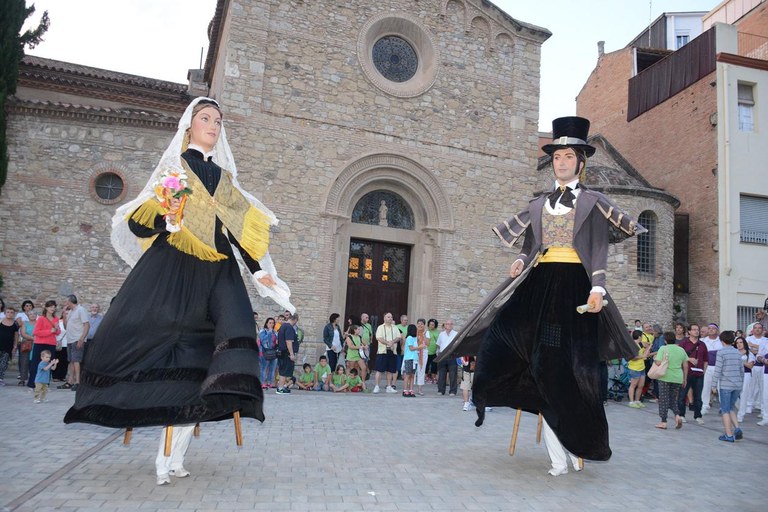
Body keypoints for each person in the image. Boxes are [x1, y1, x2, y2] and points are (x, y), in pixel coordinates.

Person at [62, 98, 294, 484]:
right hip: (177, 271)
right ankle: (164, 456)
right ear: (190, 125)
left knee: (215, 357)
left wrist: (258, 272)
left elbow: (237, 233)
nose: (213, 125)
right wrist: (166, 217)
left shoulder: (224, 179)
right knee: (177, 357)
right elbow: (140, 225)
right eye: (206, 118)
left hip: (218, 273)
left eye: (218, 121)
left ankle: (178, 453)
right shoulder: (175, 171)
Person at [435, 117, 642, 476]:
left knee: (570, 366)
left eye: (567, 156)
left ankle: (571, 446)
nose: (560, 162)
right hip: (540, 281)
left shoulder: (593, 202)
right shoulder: (540, 204)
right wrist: (519, 259)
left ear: (581, 162)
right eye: (556, 156)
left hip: (575, 284)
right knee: (505, 331)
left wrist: (597, 288)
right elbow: (532, 245)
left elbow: (597, 248)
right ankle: (498, 389)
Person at [652, 332, 688, 429]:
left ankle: (663, 421)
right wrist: (685, 378)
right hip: (678, 377)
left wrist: (655, 359)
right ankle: (677, 415)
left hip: (665, 376)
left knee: (663, 399)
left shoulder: (663, 348)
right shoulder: (681, 350)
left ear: (665, 340)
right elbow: (685, 365)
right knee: (673, 399)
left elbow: (658, 362)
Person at [712, 331, 744, 441]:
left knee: (725, 409)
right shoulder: (737, 352)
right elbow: (741, 370)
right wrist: (741, 383)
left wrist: (713, 385)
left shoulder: (721, 352)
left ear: (722, 341)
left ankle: (729, 434)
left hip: (726, 385)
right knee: (731, 407)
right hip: (737, 385)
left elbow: (718, 370)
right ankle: (737, 428)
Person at [679, 324, 709, 425]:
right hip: (686, 373)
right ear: (689, 332)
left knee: (698, 396)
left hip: (699, 373)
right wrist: (689, 359)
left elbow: (706, 360)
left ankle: (698, 415)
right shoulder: (684, 343)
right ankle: (681, 415)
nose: (696, 331)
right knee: (682, 395)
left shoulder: (702, 344)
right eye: (694, 330)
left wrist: (704, 371)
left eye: (698, 329)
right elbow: (679, 357)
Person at [29, 301, 60, 388]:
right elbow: (36, 332)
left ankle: (45, 384)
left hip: (51, 344)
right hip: (40, 344)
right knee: (36, 364)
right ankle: (32, 384)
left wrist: (56, 330)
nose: (53, 308)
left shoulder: (56, 319)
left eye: (54, 306)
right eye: (50, 306)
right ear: (46, 308)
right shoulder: (41, 319)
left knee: (49, 364)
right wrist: (50, 331)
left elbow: (58, 332)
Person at [61, 295, 89, 391]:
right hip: (70, 339)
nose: (65, 303)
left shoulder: (81, 310)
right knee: (71, 361)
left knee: (76, 361)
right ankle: (70, 382)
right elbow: (66, 327)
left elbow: (86, 325)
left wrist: (81, 339)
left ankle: (78, 382)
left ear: (70, 302)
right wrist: (64, 316)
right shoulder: (71, 312)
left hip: (77, 339)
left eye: (66, 301)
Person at [374, 312, 400, 393]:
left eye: (391, 317)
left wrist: (392, 341)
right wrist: (387, 343)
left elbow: (399, 337)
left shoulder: (395, 327)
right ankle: (377, 386)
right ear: (384, 318)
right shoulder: (380, 327)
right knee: (379, 370)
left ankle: (389, 386)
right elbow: (378, 337)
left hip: (392, 351)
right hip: (382, 351)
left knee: (390, 370)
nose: (390, 318)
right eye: (388, 317)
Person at [701, 323, 723, 415]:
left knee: (721, 387)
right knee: (706, 386)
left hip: (719, 367)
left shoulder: (721, 341)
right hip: (707, 367)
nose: (711, 330)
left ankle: (723, 406)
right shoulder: (702, 341)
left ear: (717, 330)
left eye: (713, 328)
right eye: (709, 328)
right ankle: (705, 405)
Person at [276, 313, 299, 394]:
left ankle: (281, 387)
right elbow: (289, 341)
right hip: (286, 353)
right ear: (295, 319)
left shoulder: (283, 326)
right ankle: (280, 388)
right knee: (284, 371)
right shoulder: (289, 327)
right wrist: (291, 353)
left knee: (283, 370)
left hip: (282, 352)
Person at [735, 336, 756, 423]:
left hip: (746, 375)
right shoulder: (734, 352)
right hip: (735, 375)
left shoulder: (749, 354)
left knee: (743, 395)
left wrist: (742, 361)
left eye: (741, 342)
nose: (739, 344)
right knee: (735, 394)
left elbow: (750, 366)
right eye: (737, 343)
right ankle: (740, 407)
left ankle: (741, 414)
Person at [628, 330, 650, 408]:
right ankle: (631, 401)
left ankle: (637, 400)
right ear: (640, 336)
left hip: (642, 368)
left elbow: (645, 355)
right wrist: (643, 355)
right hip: (634, 368)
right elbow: (633, 358)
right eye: (642, 336)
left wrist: (648, 348)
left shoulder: (640, 344)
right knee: (633, 385)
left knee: (641, 385)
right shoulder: (632, 345)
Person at [435, 320, 459, 396]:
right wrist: (439, 353)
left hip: (452, 355)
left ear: (452, 325)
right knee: (441, 374)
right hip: (442, 355)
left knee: (453, 374)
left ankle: (452, 391)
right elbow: (438, 345)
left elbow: (458, 344)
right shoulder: (441, 334)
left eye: (450, 324)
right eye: (447, 324)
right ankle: (441, 390)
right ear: (445, 325)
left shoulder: (456, 334)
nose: (448, 325)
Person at [0, 307, 20, 386]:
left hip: (8, 347)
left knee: (3, 364)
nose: (9, 314)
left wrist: (15, 347)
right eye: (8, 312)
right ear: (5, 313)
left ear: (14, 314)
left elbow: (16, 335)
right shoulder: (0, 321)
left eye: (11, 312)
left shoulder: (15, 323)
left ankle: (0, 378)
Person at [402, 324, 422, 397]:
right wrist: (419, 347)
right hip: (409, 358)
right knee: (407, 375)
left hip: (414, 359)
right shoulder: (409, 338)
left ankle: (411, 390)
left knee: (412, 375)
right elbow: (411, 348)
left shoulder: (415, 338)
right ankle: (405, 390)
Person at [258, 317, 278, 389]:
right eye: (270, 323)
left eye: (273, 323)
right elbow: (263, 340)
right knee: (263, 368)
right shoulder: (262, 331)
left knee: (272, 368)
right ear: (266, 323)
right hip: (264, 352)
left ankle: (270, 382)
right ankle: (262, 382)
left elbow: (276, 342)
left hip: (273, 352)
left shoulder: (275, 332)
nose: (271, 324)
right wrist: (269, 333)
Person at [426, 318, 439, 383]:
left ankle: (434, 378)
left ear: (435, 325)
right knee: (426, 365)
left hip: (435, 351)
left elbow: (439, 341)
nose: (431, 326)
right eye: (430, 324)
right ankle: (425, 378)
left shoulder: (437, 332)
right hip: (427, 351)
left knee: (434, 365)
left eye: (433, 325)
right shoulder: (426, 331)